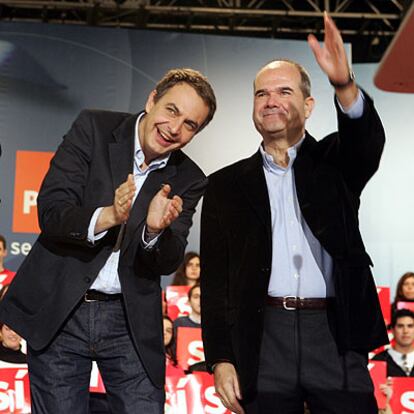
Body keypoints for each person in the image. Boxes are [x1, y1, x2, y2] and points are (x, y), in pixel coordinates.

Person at [201, 12, 387, 414]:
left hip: (334, 335)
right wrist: (219, 358)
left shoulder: (335, 163)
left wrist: (345, 84)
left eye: (284, 92)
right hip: (263, 337)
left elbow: (366, 142)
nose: (271, 101)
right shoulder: (223, 186)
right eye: (261, 94)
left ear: (308, 104)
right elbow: (215, 281)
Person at [0, 68, 216, 414]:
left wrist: (154, 232)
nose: (174, 128)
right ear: (152, 99)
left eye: (190, 124)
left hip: (129, 320)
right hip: (61, 311)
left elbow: (169, 259)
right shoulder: (94, 128)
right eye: (172, 110)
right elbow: (53, 211)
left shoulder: (189, 179)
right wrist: (109, 216)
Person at [373, 309, 414, 377]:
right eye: (400, 326)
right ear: (392, 330)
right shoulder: (379, 360)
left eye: (410, 326)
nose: (405, 331)